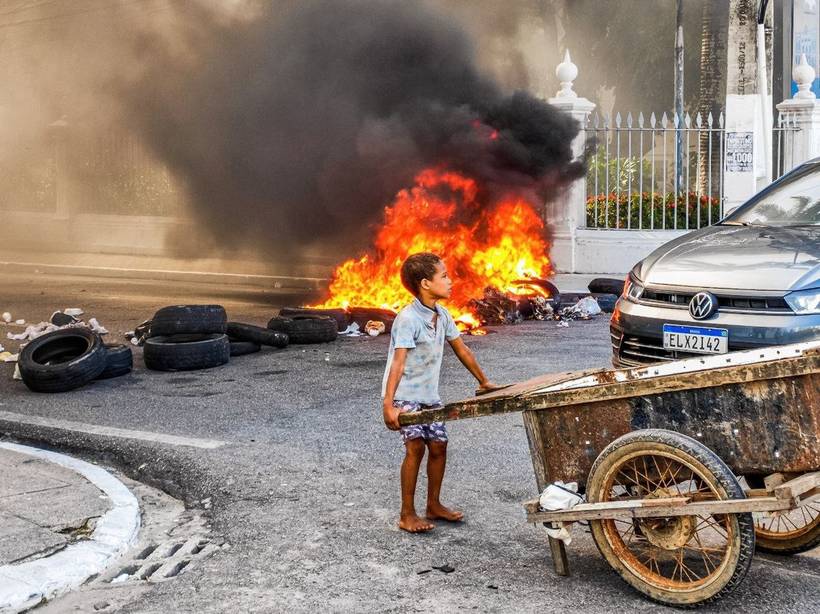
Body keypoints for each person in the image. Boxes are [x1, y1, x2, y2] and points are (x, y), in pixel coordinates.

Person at [382, 252, 501, 533]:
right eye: (444, 276)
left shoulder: (443, 315)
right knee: (415, 448)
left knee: (438, 446)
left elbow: (462, 349)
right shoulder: (408, 319)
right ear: (425, 283)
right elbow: (398, 363)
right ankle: (406, 514)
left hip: (429, 397)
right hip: (405, 395)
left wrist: (484, 381)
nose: (450, 281)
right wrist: (388, 404)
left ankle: (433, 505)